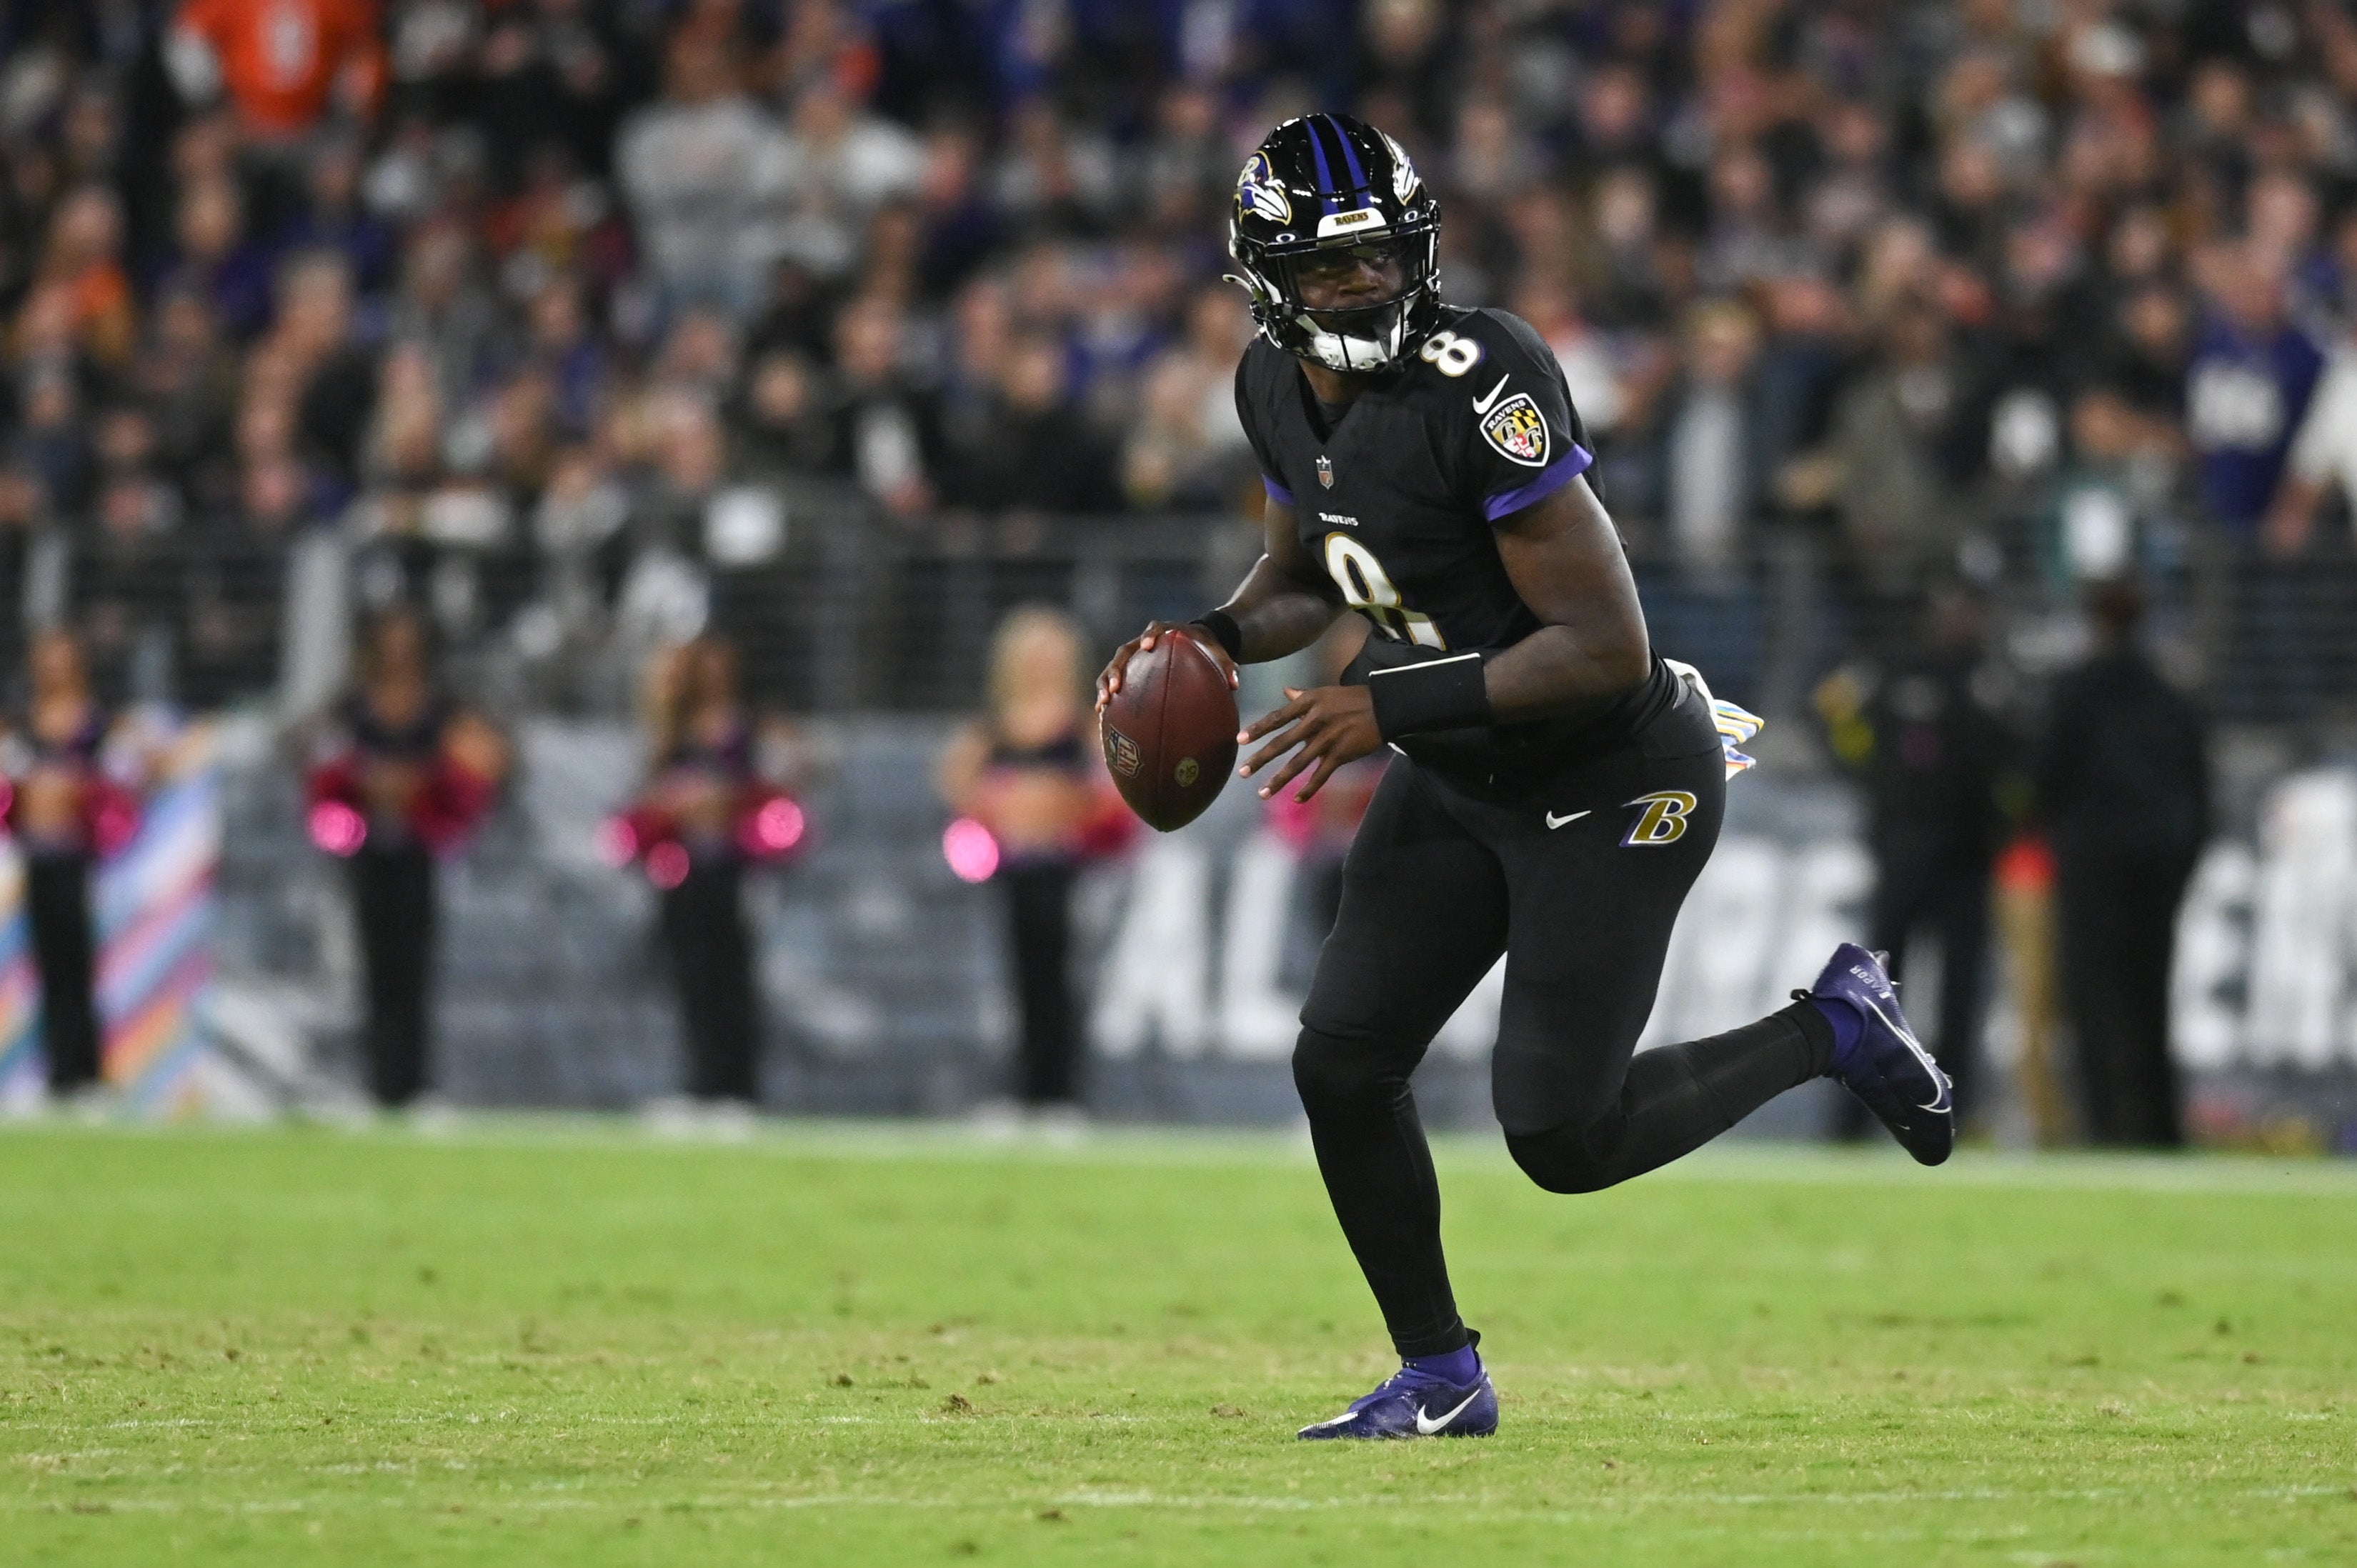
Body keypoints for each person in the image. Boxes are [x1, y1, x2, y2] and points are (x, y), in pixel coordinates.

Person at [1097, 116, 1952, 1442]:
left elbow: (1604, 651)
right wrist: (1209, 636)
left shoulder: (1476, 377)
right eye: (1329, 273)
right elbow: (1301, 576)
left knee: (1561, 1138)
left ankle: (1830, 1029)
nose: (1364, 289)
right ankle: (1439, 1376)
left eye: (1381, 261)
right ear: (1265, 279)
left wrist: (1379, 706)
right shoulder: (1269, 387)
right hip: (1457, 768)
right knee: (1339, 1063)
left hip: (1609, 774)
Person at [1813, 584, 2015, 1134]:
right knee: (1876, 991)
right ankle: (1852, 1121)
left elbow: (2020, 764)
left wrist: (2001, 824)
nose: (1960, 618)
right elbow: (1833, 714)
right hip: (1902, 850)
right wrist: (1873, 784)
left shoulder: (1995, 681)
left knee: (1959, 995)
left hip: (1965, 858)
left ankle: (1952, 1114)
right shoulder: (1895, 669)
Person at [306, 609, 504, 1110]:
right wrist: (365, 784)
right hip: (367, 845)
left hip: (419, 845)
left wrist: (423, 781)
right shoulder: (354, 706)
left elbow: (488, 759)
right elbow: (313, 753)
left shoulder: (442, 708)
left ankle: (415, 1083)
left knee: (414, 964)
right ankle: (377, 1083)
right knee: (372, 965)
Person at [2033, 578, 2208, 1147]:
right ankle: (2158, 1125)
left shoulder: (2074, 691)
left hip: (2091, 862)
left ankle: (2106, 1123)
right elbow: (2198, 788)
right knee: (2149, 995)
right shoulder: (2169, 693)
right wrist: (2182, 860)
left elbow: (2044, 776)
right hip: (2157, 865)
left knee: (2092, 996)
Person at [939, 608, 1127, 1123]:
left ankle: (1058, 1092)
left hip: (1068, 869)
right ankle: (1021, 1088)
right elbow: (958, 784)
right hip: (1009, 867)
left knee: (1060, 978)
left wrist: (1063, 806)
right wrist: (1004, 806)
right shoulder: (994, 729)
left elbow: (1116, 792)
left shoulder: (1087, 727)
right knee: (1012, 981)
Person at [624, 636, 798, 1115]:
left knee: (734, 977)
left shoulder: (754, 728)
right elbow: (645, 794)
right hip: (682, 869)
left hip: (735, 867)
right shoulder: (672, 733)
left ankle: (737, 1086)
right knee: (690, 978)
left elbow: (788, 778)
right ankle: (702, 1082)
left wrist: (729, 800)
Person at [0, 631, 141, 1103]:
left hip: (87, 860)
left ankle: (90, 1071)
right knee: (49, 965)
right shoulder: (23, 723)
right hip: (38, 856)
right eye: (46, 659)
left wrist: (79, 791)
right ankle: (60, 1073)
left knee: (82, 965)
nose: (54, 667)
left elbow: (124, 779)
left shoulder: (98, 723)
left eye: (63, 657)